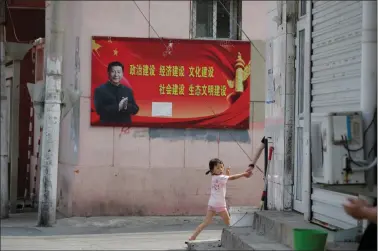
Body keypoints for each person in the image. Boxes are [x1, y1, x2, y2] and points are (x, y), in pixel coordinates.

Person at [188, 158, 252, 241]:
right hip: (220, 205)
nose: (220, 169)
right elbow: (232, 178)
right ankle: (238, 239)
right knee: (229, 223)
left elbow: (226, 178)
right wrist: (244, 174)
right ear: (212, 170)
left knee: (206, 222)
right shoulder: (220, 177)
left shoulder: (214, 177)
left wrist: (228, 173)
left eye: (222, 167)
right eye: (218, 168)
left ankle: (193, 236)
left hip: (212, 204)